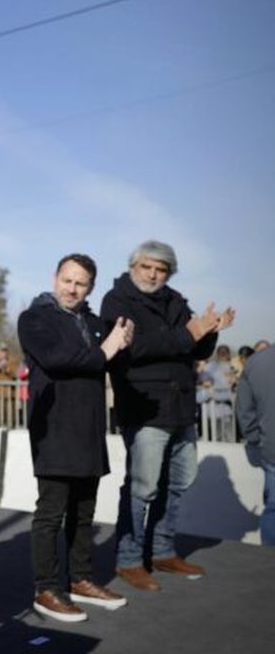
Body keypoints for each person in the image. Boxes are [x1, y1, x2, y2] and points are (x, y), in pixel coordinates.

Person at [101, 239, 235, 591]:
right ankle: (129, 559)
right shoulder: (117, 301)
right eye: (147, 266)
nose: (153, 274)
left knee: (179, 483)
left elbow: (194, 345)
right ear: (134, 266)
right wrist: (186, 334)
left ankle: (161, 550)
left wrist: (210, 329)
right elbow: (133, 349)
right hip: (145, 410)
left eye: (161, 269)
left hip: (181, 409)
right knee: (142, 488)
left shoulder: (175, 300)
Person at [18, 254, 134, 622]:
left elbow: (112, 362)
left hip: (89, 429)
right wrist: (105, 350)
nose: (72, 288)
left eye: (80, 283)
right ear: (55, 278)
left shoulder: (96, 323)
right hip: (53, 427)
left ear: (90, 288)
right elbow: (57, 359)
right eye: (67, 280)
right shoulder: (35, 318)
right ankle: (46, 588)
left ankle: (81, 579)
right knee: (51, 513)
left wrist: (122, 344)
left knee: (84, 512)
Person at [236, 345, 275, 545]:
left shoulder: (256, 362)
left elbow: (244, 409)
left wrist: (255, 439)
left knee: (274, 508)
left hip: (271, 447)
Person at [199, 345, 236, 441]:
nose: (223, 355)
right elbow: (205, 385)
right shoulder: (209, 367)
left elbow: (232, 387)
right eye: (221, 353)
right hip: (211, 411)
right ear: (217, 354)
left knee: (229, 439)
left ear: (228, 354)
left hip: (226, 410)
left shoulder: (231, 367)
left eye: (225, 353)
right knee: (214, 439)